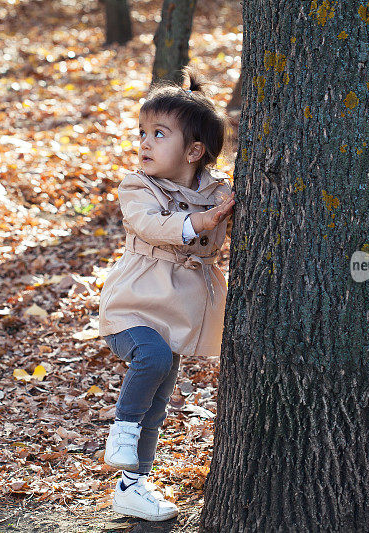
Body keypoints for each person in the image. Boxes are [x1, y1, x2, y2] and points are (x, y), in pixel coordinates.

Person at [98, 65, 236, 521]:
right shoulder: (138, 186)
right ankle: (119, 430)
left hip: (177, 309)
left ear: (195, 150)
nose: (144, 142)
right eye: (142, 132)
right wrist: (198, 223)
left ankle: (132, 485)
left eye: (158, 134)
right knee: (152, 359)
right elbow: (148, 224)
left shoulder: (216, 194)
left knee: (157, 405)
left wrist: (220, 216)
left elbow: (215, 241)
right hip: (133, 303)